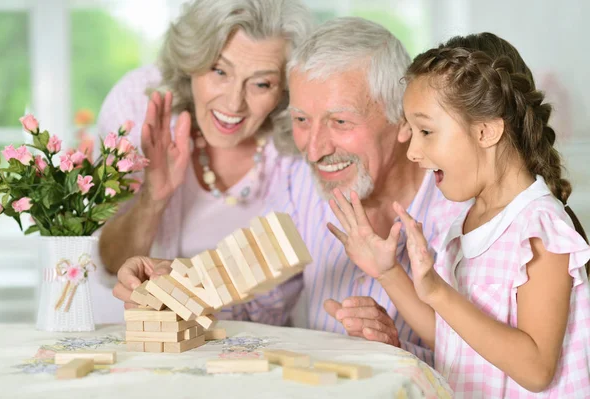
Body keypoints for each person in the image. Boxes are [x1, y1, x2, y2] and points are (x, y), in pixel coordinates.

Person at [113, 17, 450, 366]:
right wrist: (177, 282)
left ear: (403, 122)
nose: (315, 150)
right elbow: (261, 305)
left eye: (340, 122)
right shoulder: (300, 181)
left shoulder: (456, 204)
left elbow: (487, 361)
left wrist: (398, 347)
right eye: (302, 120)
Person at [329, 32, 590, 396]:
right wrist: (388, 272)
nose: (413, 152)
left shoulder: (540, 230)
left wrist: (437, 291)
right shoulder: (465, 221)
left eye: (426, 131)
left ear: (485, 131)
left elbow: (536, 369)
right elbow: (452, 337)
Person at [95, 0, 313, 323]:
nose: (233, 102)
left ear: (285, 88)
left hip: (254, 354)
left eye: (261, 83)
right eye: (219, 70)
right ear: (191, 61)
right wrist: (153, 198)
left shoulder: (302, 140)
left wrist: (190, 291)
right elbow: (109, 265)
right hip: (142, 348)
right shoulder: (137, 102)